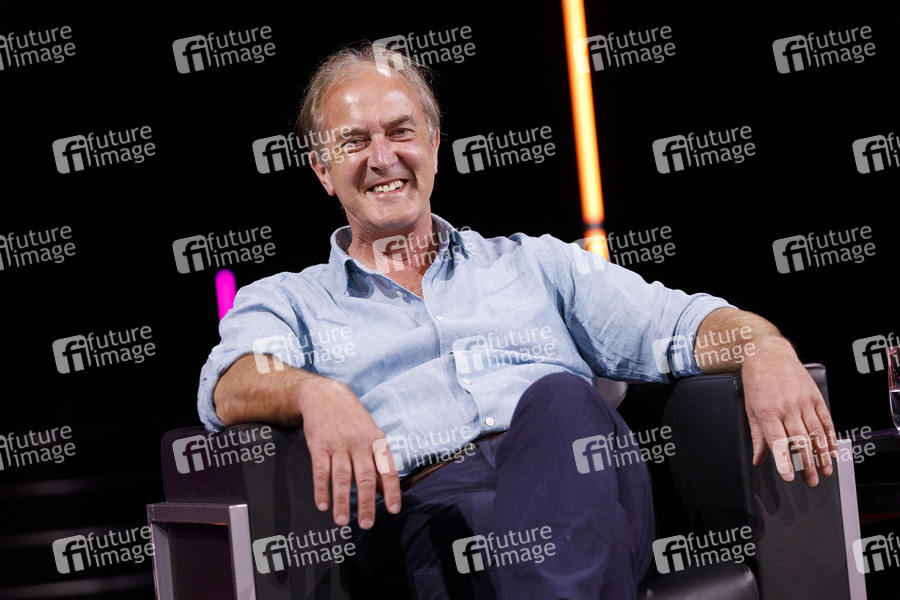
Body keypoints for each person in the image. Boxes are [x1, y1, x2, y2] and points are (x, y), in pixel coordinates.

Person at [197, 42, 837, 599]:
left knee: (560, 400)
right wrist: (315, 392)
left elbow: (678, 321)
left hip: (579, 473)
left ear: (434, 145)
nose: (383, 157)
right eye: (354, 142)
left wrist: (763, 346)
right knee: (575, 529)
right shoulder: (292, 299)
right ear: (322, 169)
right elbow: (229, 382)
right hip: (435, 517)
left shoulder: (536, 263)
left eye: (400, 132)